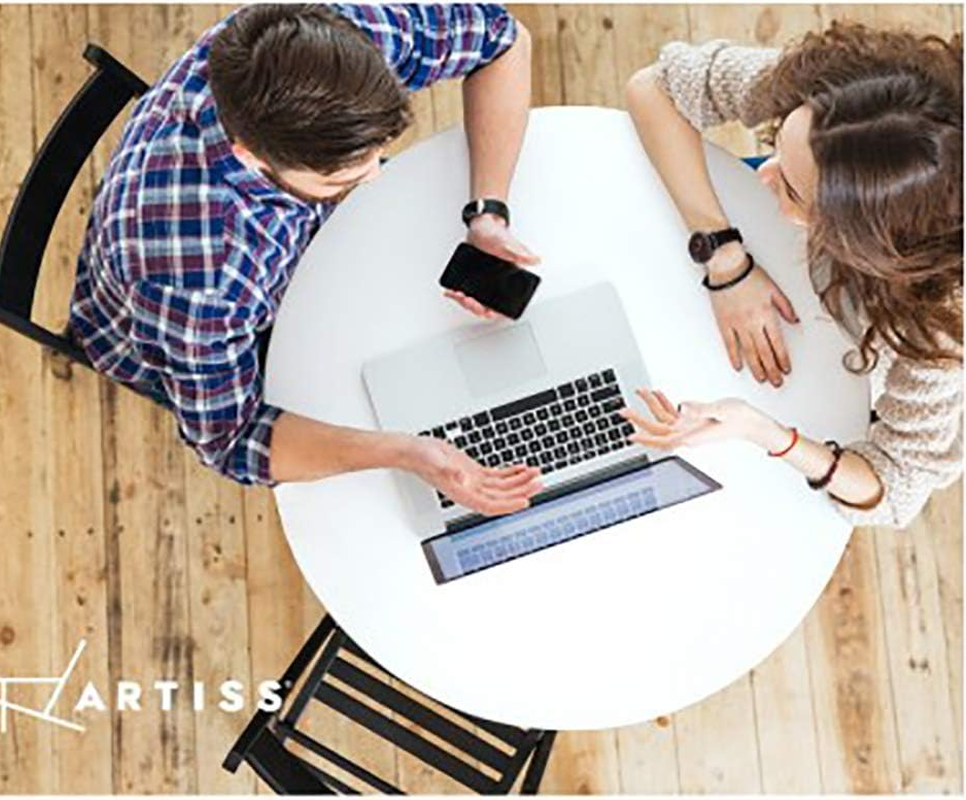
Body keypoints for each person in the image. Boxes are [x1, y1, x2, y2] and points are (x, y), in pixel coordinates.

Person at [70, 4, 543, 515]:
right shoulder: (199, 283)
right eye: (340, 176)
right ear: (253, 156)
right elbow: (235, 440)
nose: (373, 176)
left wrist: (487, 212)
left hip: (306, 257)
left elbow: (504, 39)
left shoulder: (322, 46)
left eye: (375, 151)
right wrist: (408, 452)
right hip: (212, 343)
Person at [623, 22, 962, 528]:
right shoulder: (848, 106)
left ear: (862, 241)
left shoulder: (941, 326)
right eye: (778, 141)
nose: (764, 171)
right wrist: (725, 259)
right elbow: (655, 85)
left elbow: (894, 483)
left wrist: (767, 433)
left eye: (793, 189)